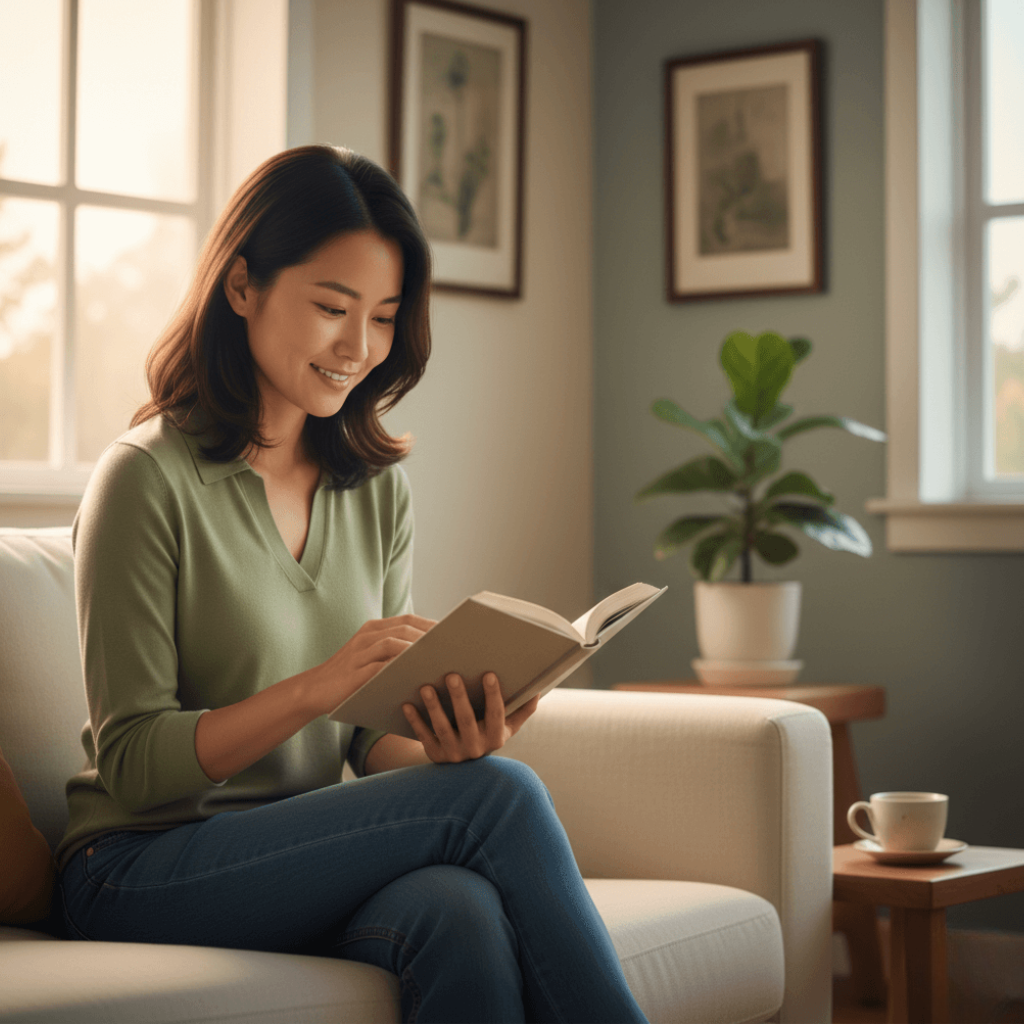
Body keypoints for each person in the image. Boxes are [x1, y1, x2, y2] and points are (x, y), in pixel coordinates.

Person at [56, 145, 649, 1024]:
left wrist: (451, 740)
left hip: (294, 849)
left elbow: (370, 748)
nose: (359, 347)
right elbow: (137, 768)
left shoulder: (374, 490)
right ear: (242, 287)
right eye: (332, 307)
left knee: (460, 910)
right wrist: (319, 689)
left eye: (382, 316)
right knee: (503, 797)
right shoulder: (145, 479)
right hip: (136, 866)